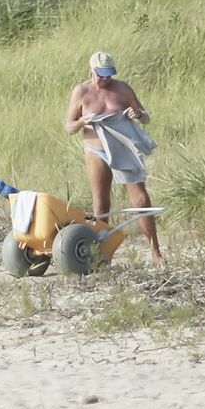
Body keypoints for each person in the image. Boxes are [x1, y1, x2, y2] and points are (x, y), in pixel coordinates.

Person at [64, 50, 165, 265]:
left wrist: (137, 115)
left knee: (141, 199)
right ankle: (101, 257)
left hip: (123, 147)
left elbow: (145, 117)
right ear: (90, 70)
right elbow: (69, 127)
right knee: (101, 204)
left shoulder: (122, 88)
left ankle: (156, 252)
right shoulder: (81, 91)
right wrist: (82, 122)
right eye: (101, 74)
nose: (105, 78)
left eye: (109, 74)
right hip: (96, 149)